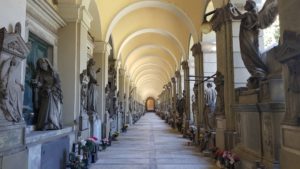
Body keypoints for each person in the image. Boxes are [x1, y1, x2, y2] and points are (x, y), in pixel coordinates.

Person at [228, 0, 268, 88]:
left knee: (246, 54)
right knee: (252, 53)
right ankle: (258, 70)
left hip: (245, 37)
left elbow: (235, 17)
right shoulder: (253, 14)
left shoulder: (247, 14)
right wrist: (234, 9)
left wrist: (229, 10)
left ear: (250, 6)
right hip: (251, 37)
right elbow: (241, 16)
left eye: (246, 4)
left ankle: (257, 72)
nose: (244, 5)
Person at [33, 58, 63, 130]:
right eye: (40, 65)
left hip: (54, 92)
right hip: (45, 91)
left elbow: (58, 83)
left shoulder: (54, 72)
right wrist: (37, 84)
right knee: (45, 104)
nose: (42, 66)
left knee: (50, 100)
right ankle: (46, 124)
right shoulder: (41, 74)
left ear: (47, 63)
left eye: (43, 64)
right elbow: (41, 83)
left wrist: (52, 89)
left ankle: (53, 124)